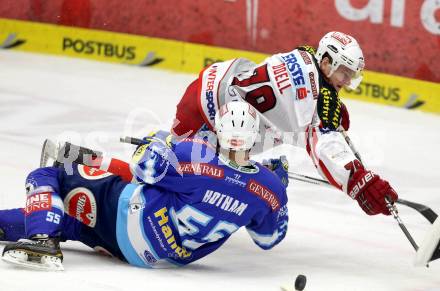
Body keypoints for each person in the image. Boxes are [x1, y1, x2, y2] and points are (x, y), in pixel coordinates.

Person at [0, 101, 289, 271]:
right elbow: (268, 238)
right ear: (255, 137)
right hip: (153, 257)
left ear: (221, 131)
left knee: (51, 174)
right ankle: (38, 228)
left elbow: (143, 168)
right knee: (70, 221)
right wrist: (278, 186)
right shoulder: (269, 188)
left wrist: (160, 140)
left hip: (127, 216)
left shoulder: (194, 154)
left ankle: (41, 241)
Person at [171, 31, 398, 216]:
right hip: (209, 120)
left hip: (210, 85)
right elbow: (324, 147)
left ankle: (247, 167)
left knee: (172, 160)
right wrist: (360, 182)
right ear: (327, 62)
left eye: (352, 76)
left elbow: (295, 109)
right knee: (183, 178)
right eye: (344, 73)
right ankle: (259, 173)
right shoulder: (320, 103)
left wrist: (332, 112)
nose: (348, 82)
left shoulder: (306, 53)